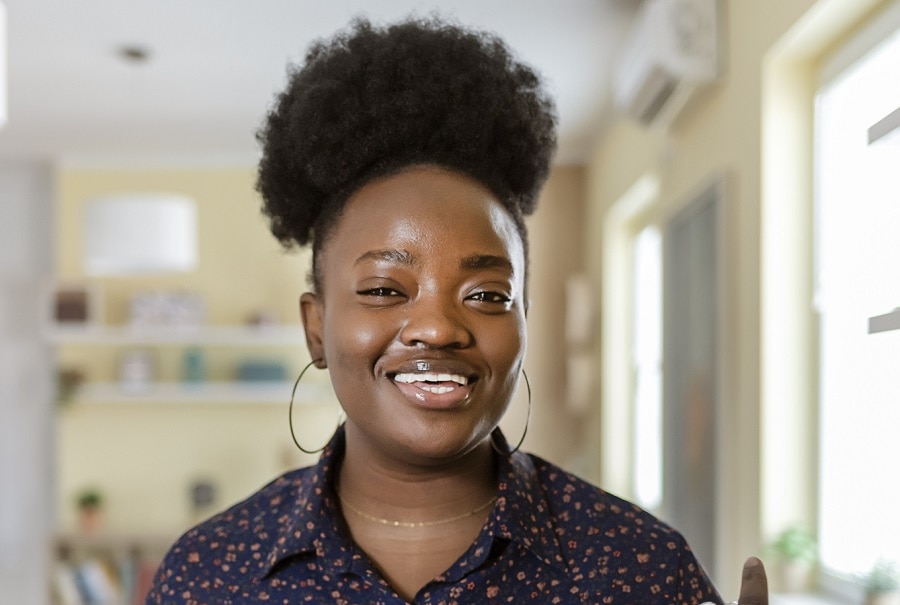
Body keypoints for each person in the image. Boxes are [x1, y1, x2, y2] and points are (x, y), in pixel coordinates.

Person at [147, 16, 768, 604]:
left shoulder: (643, 572)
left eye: (487, 296)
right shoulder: (208, 575)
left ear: (523, 322)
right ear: (315, 326)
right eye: (386, 290)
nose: (439, 328)